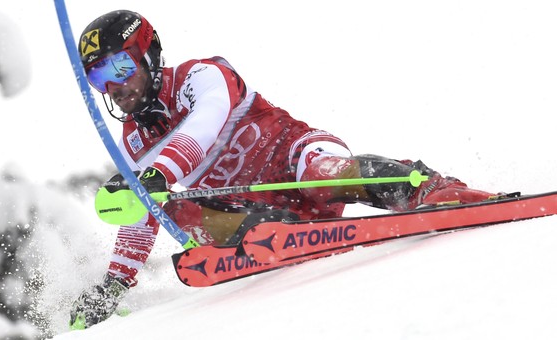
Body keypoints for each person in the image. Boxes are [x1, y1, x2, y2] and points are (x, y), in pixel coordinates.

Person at [70, 9, 504, 328]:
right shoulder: (132, 140)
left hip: (298, 160)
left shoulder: (200, 76)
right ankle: (265, 233)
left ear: (148, 56)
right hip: (266, 215)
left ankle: (426, 190)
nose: (114, 86)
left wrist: (159, 171)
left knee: (320, 176)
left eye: (120, 66)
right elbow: (145, 212)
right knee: (172, 208)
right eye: (98, 78)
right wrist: (113, 285)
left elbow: (203, 126)